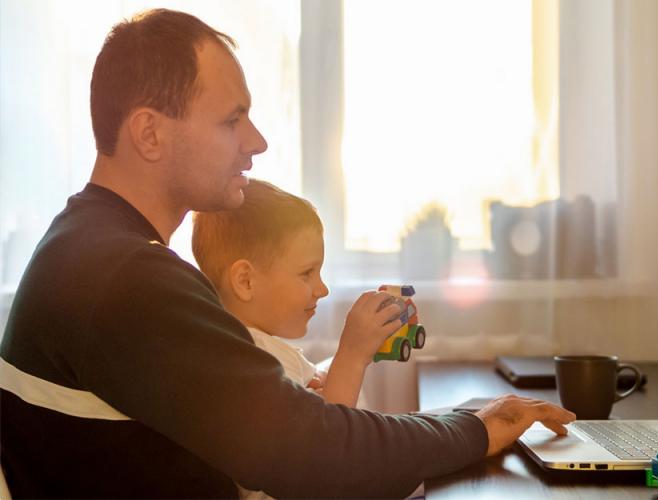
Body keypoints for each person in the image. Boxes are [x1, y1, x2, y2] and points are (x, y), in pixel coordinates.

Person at [0, 8, 575, 498]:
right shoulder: (127, 277)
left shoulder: (83, 243)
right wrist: (472, 430)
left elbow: (299, 430)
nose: (257, 141)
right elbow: (313, 452)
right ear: (149, 134)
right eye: (232, 120)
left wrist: (455, 426)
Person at [192, 179, 378, 409]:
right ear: (246, 281)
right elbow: (325, 436)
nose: (323, 289)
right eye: (307, 273)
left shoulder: (226, 344)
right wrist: (352, 356)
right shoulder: (261, 361)